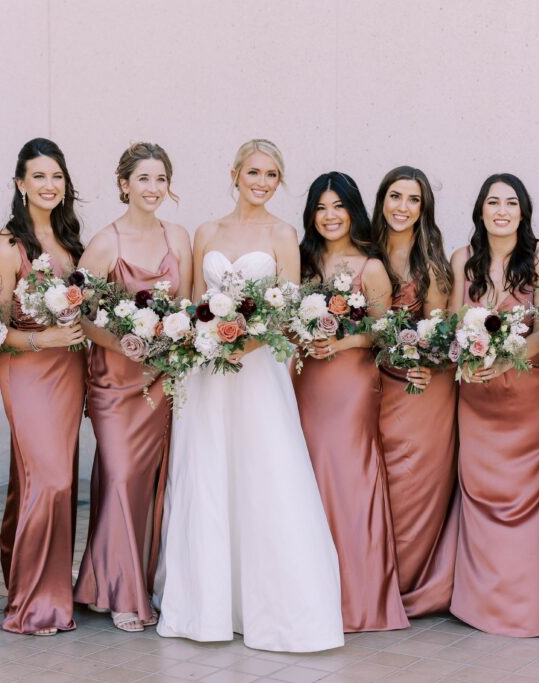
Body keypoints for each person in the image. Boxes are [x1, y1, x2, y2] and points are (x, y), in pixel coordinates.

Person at [155, 139, 344, 652]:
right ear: (234, 172)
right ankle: (208, 606)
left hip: (257, 370)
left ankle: (276, 607)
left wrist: (247, 343)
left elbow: (287, 306)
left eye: (272, 175)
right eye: (254, 172)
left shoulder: (283, 233)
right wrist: (204, 340)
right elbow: (195, 301)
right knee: (210, 473)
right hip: (207, 372)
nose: (261, 182)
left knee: (265, 472)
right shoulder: (206, 232)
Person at [74, 142, 192, 632]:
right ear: (124, 184)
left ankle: (118, 581)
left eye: (160, 179)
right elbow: (78, 313)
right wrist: (124, 343)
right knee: (122, 476)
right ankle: (121, 592)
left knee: (148, 484)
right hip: (115, 381)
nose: (153, 188)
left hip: (161, 379)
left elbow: (186, 304)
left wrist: (175, 338)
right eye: (143, 179)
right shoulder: (105, 243)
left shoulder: (178, 236)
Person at [292, 171, 408, 633]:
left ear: (353, 210)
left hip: (351, 383)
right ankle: (308, 589)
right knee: (307, 475)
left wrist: (340, 344)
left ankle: (357, 598)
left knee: (348, 476)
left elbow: (385, 330)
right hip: (306, 380)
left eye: (338, 206)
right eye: (321, 207)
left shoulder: (370, 267)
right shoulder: (301, 264)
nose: (329, 216)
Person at [448, 173, 539, 637]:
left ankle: (525, 603)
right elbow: (455, 322)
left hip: (530, 391)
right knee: (480, 492)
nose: (501, 210)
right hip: (476, 393)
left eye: (510, 203)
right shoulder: (463, 260)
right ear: (480, 210)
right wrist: (468, 353)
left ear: (523, 212)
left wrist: (510, 357)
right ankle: (483, 603)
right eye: (492, 202)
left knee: (525, 496)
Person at [0, 138, 87, 635]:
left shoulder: (71, 241)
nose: (50, 185)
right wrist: (41, 338)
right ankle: (32, 605)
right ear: (21, 184)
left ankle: (41, 587)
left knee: (41, 482)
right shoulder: (9, 247)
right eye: (40, 177)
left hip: (70, 372)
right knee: (52, 480)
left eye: (57, 177)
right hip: (27, 370)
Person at [368, 166, 458, 616]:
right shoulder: (363, 253)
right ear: (382, 200)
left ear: (424, 208)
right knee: (371, 480)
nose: (402, 207)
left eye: (413, 199)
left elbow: (438, 329)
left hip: (420, 386)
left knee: (410, 483)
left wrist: (427, 364)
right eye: (395, 197)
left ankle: (401, 583)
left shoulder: (433, 263)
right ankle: (368, 575)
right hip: (368, 382)